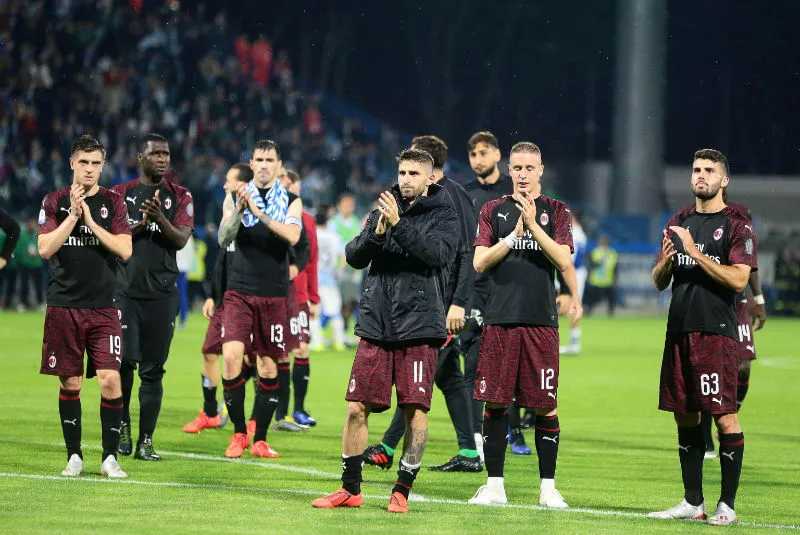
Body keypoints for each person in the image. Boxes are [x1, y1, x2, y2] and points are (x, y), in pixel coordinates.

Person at [312, 148, 458, 513]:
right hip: (377, 324)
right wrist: (376, 233)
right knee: (356, 408)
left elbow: (435, 257)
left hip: (419, 327)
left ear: (430, 178)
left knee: (415, 410)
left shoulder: (445, 215)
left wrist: (398, 225)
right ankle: (350, 489)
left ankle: (402, 490)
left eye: (413, 173)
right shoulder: (384, 208)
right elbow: (354, 256)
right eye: (402, 172)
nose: (405, 179)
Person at [468, 141, 580, 508]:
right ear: (510, 169)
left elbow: (563, 258)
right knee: (496, 404)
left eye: (529, 168)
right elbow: (480, 262)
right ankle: (495, 486)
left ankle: (548, 489)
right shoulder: (492, 210)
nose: (522, 175)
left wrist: (533, 226)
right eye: (517, 168)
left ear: (541, 170)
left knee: (546, 405)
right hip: (499, 320)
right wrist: (514, 237)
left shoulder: (557, 211)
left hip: (540, 322)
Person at [648, 149, 756, 526]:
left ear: (724, 180)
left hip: (716, 333)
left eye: (710, 170)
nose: (701, 175)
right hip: (678, 331)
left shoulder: (736, 224)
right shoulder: (679, 220)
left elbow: (739, 279)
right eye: (696, 169)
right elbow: (659, 281)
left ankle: (727, 505)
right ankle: (692, 502)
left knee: (725, 417)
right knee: (685, 417)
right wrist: (665, 262)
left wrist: (694, 252)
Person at [362, 135, 482, 473]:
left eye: (415, 168)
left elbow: (463, 253)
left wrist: (458, 303)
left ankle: (386, 446)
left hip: (438, 307)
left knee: (417, 382)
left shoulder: (452, 199)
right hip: (414, 306)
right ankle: (469, 453)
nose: (406, 176)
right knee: (448, 377)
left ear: (429, 169)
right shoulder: (404, 197)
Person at [37, 135, 132, 478]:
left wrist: (90, 221)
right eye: (84, 162)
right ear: (72, 163)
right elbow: (45, 248)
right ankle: (74, 455)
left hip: (104, 307)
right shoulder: (53, 201)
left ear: (102, 165)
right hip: (63, 306)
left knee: (110, 378)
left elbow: (125, 249)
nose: (90, 169)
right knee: (71, 383)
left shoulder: (114, 203)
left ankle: (109, 458)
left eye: (96, 163)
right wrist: (73, 217)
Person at [217, 139, 303, 459]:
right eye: (259, 159)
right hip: (239, 289)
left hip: (273, 294)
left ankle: (261, 439)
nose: (264, 165)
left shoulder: (293, 201)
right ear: (251, 164)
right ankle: (239, 432)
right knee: (231, 357)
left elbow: (293, 236)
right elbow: (223, 238)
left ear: (278, 166)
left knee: (268, 367)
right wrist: (241, 209)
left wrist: (259, 212)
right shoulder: (234, 197)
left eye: (270, 160)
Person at [111, 133, 195, 461]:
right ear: (140, 157)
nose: (162, 158)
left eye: (166, 153)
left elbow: (181, 240)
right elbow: (112, 236)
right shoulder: (119, 194)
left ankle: (146, 439)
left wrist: (159, 219)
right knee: (122, 365)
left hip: (161, 296)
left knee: (153, 370)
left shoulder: (181, 195)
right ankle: (123, 427)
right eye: (155, 153)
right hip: (125, 294)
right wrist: (141, 224)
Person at [461, 131, 529, 457]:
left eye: (483, 152)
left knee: (511, 365)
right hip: (474, 289)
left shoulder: (512, 191)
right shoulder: (465, 194)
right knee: (473, 363)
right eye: (473, 154)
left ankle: (514, 430)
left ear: (497, 155)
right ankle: (477, 436)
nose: (478, 159)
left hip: (508, 288)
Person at [182, 163, 252, 434]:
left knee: (254, 362)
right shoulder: (231, 215)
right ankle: (211, 412)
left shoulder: (255, 216)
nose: (224, 185)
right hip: (226, 298)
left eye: (229, 181)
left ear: (243, 184)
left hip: (249, 298)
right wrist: (213, 294)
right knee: (209, 352)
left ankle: (253, 423)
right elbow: (223, 259)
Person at [700, 189, 767, 460]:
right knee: (706, 372)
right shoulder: (694, 218)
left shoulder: (740, 214)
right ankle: (706, 440)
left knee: (743, 365)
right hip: (708, 302)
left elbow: (749, 261)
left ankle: (730, 414)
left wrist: (759, 299)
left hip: (736, 302)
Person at [277, 168, 321, 428]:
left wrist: (314, 297)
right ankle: (280, 414)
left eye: (291, 183)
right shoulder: (272, 216)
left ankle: (299, 410)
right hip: (274, 293)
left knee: (301, 348)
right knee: (278, 353)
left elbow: (312, 259)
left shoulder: (307, 220)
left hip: (300, 294)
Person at [309, 207, 347, 351]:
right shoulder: (334, 237)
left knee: (314, 311)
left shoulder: (311, 236)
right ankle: (339, 342)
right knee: (335, 311)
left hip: (314, 279)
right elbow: (344, 254)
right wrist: (339, 271)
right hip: (330, 277)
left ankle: (317, 343)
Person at [329, 192, 362, 342]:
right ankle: (339, 330)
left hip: (354, 268)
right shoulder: (333, 222)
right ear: (339, 205)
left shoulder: (356, 222)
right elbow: (334, 246)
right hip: (338, 268)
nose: (350, 207)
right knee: (339, 300)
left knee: (352, 300)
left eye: (352, 204)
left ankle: (343, 327)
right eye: (347, 204)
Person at [560, 211, 587, 354]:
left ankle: (574, 343)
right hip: (577, 272)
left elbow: (570, 257)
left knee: (572, 306)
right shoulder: (580, 231)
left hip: (573, 273)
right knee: (571, 306)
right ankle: (574, 342)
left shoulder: (574, 233)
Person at [585, 235, 618, 315]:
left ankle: (610, 312)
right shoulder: (595, 252)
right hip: (596, 280)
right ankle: (588, 311)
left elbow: (615, 268)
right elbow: (591, 265)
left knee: (611, 298)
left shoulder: (612, 253)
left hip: (608, 280)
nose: (602, 242)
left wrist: (615, 279)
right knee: (592, 298)